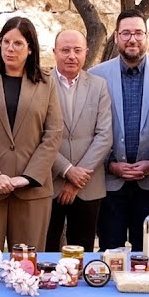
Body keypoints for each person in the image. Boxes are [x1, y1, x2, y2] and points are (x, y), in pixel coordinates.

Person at [0, 16, 63, 250]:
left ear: (30, 48)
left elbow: (53, 133)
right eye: (5, 41)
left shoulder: (46, 82)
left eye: (17, 44)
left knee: (26, 267)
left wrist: (28, 177)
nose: (10, 48)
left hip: (31, 191)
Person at [88, 9, 149, 249]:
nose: (132, 39)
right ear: (116, 37)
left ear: (147, 36)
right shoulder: (96, 76)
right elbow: (90, 128)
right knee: (110, 253)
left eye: (138, 33)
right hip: (110, 183)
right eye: (126, 33)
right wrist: (110, 163)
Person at [44, 29, 112, 251]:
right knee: (47, 250)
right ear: (54, 52)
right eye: (65, 50)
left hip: (88, 184)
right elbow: (36, 136)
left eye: (77, 50)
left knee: (83, 252)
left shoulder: (98, 85)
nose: (71, 56)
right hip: (50, 181)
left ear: (86, 52)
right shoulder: (40, 84)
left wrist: (77, 176)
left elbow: (104, 135)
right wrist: (66, 170)